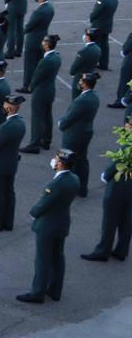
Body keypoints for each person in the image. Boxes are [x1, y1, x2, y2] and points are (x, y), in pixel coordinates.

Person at [18, 149, 81, 303]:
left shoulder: (56, 183)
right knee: (57, 257)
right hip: (61, 222)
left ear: (60, 164)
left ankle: (37, 292)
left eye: (56, 159)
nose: (54, 160)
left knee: (42, 260)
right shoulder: (74, 179)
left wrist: (33, 213)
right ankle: (55, 290)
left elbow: (44, 203)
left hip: (48, 225)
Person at [82, 117, 132, 261]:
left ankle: (103, 251)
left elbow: (117, 162)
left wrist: (106, 175)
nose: (126, 126)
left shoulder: (128, 144)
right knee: (126, 219)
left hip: (118, 186)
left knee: (110, 221)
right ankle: (122, 250)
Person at [0, 95, 27, 232]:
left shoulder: (5, 126)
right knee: (9, 192)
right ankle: (8, 222)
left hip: (0, 164)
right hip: (12, 162)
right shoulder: (21, 123)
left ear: (9, 108)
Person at [59, 72, 101, 197]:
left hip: (74, 134)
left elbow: (70, 117)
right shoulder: (94, 97)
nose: (79, 83)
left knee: (68, 161)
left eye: (81, 81)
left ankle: (68, 189)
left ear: (85, 84)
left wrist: (61, 124)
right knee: (82, 160)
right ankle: (82, 188)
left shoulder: (81, 101)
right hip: (86, 132)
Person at [24, 35, 63, 153]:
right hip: (50, 89)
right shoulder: (56, 57)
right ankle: (46, 140)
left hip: (41, 91)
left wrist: (30, 87)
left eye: (43, 41)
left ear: (47, 45)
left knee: (37, 117)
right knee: (47, 116)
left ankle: (34, 143)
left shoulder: (45, 61)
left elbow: (37, 77)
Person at [18, 0, 55, 93]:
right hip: (43, 36)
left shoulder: (39, 11)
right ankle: (37, 83)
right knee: (38, 62)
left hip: (33, 39)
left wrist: (23, 31)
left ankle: (27, 85)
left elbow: (30, 26)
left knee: (29, 64)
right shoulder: (50, 8)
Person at [90, 0, 119, 70]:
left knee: (96, 45)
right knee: (105, 45)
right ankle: (104, 64)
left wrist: (91, 19)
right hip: (107, 25)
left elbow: (95, 13)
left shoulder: (102, 0)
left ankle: (93, 63)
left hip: (98, 25)